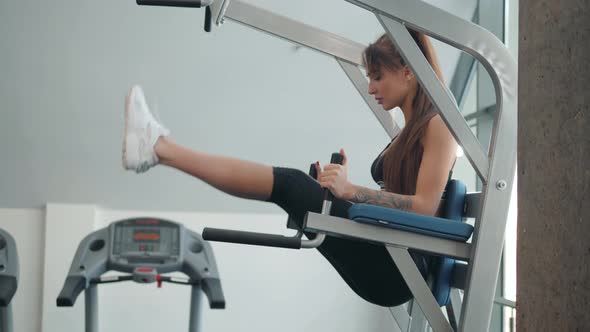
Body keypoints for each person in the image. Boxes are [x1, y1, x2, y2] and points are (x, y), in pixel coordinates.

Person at [122, 31, 457, 307]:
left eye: (378, 77)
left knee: (290, 184)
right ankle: (159, 151)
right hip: (387, 253)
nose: (371, 89)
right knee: (293, 186)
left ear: (409, 72)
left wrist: (350, 190)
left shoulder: (438, 125)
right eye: (370, 79)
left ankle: (159, 149)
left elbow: (426, 206)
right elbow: (398, 199)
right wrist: (333, 188)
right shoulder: (409, 131)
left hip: (397, 270)